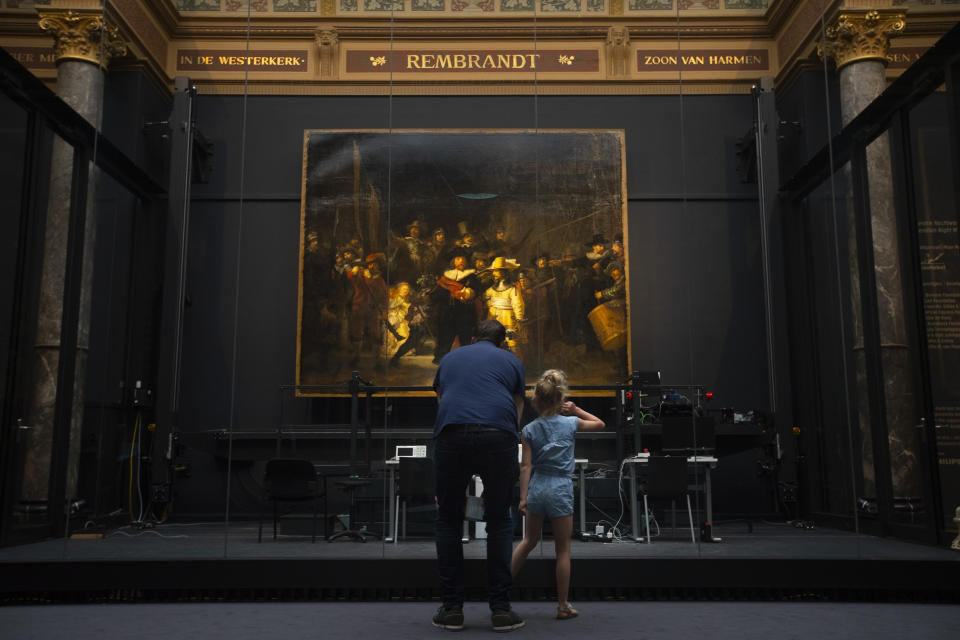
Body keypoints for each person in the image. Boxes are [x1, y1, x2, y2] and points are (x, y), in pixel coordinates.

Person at [432, 319, 526, 632]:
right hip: (498, 435)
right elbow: (517, 406)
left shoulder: (450, 358)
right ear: (502, 343)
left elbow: (441, 398)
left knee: (447, 519)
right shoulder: (512, 361)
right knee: (499, 520)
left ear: (473, 338)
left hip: (453, 433)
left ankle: (452, 610)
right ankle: (500, 610)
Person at [510, 369, 604, 621]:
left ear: (536, 400)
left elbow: (525, 467)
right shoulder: (571, 423)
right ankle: (562, 605)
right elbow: (600, 424)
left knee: (528, 541)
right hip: (560, 489)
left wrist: (522, 497)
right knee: (563, 550)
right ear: (560, 399)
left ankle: (500, 593)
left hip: (538, 488)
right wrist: (576, 411)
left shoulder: (529, 429)